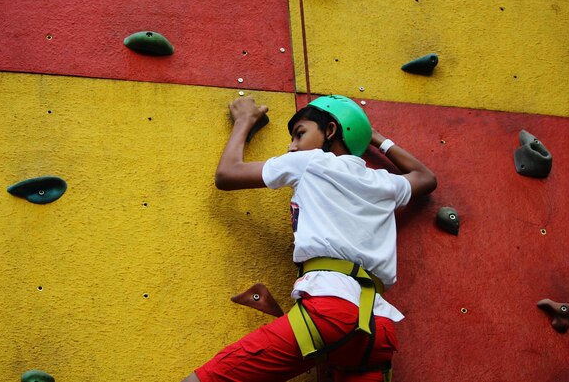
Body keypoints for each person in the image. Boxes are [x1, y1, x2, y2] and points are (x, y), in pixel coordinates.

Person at [183, 95, 437, 382]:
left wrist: (244, 121)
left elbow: (227, 174)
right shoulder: (384, 182)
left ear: (330, 131)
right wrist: (374, 139)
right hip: (378, 330)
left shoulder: (311, 162)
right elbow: (426, 178)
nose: (292, 146)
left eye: (300, 133)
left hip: (330, 311)